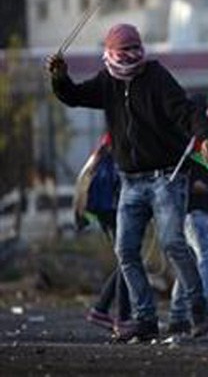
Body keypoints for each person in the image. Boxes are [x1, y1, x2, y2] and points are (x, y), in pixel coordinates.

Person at [46, 23, 208, 342]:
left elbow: (186, 111)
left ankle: (198, 310)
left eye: (135, 48)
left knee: (172, 245)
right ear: (109, 54)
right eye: (122, 50)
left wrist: (206, 136)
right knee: (125, 251)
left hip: (165, 179)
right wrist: (59, 77)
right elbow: (73, 96)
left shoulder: (155, 77)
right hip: (130, 183)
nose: (130, 56)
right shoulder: (107, 82)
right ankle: (145, 319)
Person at [168, 95, 208, 334]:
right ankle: (207, 312)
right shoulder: (190, 142)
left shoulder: (197, 141)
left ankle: (177, 314)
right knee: (206, 257)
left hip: (196, 210)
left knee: (191, 263)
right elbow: (186, 171)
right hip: (193, 211)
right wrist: (196, 182)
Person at [74, 133, 132, 336]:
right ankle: (120, 316)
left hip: (103, 207)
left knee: (126, 260)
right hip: (114, 206)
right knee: (128, 259)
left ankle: (103, 309)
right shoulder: (124, 135)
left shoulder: (107, 139)